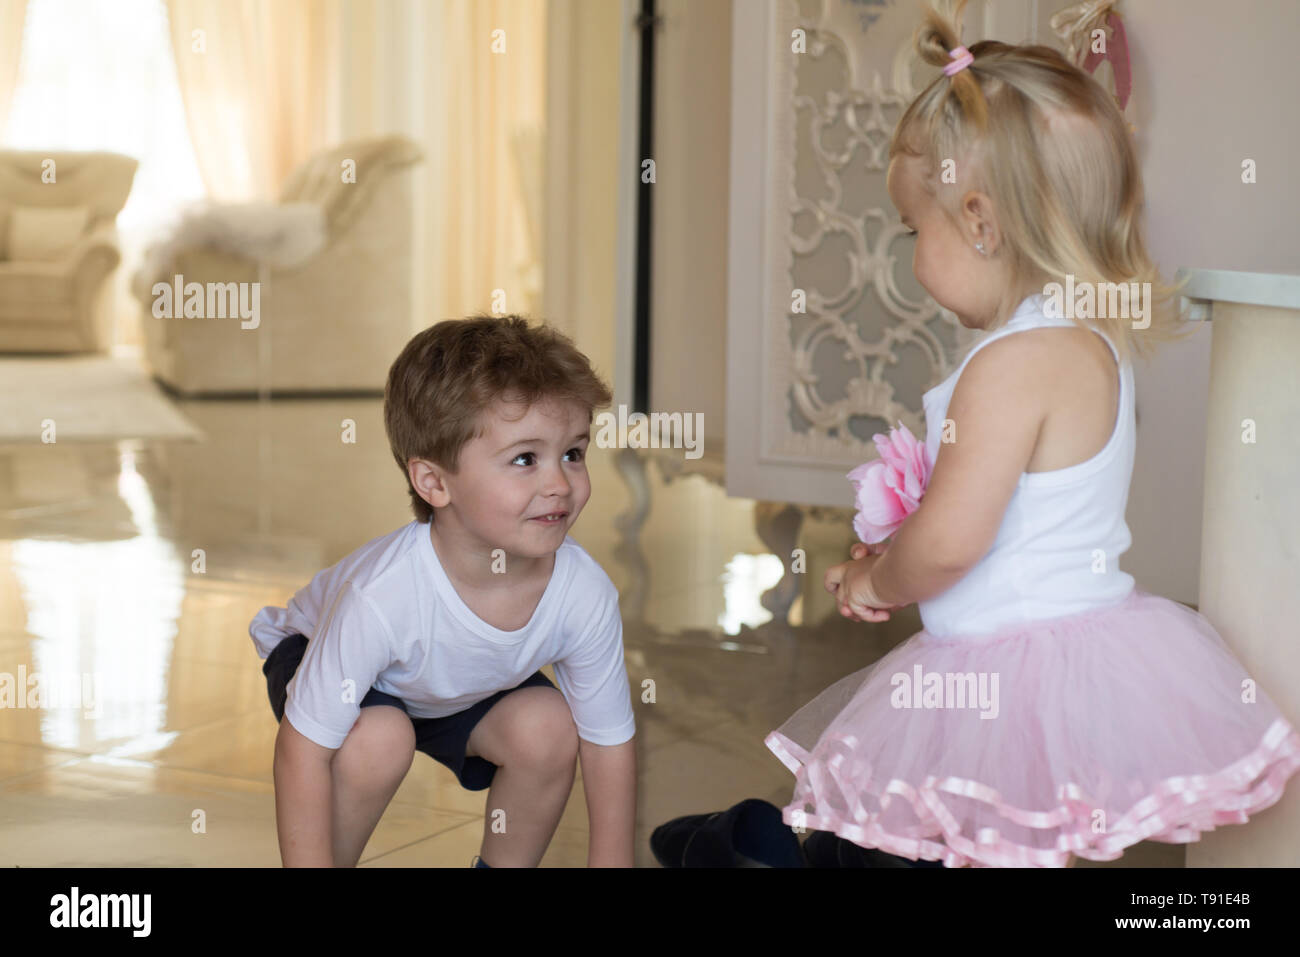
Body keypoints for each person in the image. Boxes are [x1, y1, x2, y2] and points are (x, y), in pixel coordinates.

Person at [765, 0, 1300, 867]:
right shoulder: (1091, 343)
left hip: (1004, 673)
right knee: (1010, 843)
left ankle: (759, 847)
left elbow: (949, 540)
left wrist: (876, 575)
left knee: (912, 832)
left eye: (913, 229)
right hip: (1085, 654)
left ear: (979, 220)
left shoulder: (1007, 367)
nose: (909, 253)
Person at [251, 315, 637, 867]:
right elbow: (301, 752)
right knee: (380, 738)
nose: (560, 483)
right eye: (525, 459)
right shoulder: (382, 596)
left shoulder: (584, 593)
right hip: (319, 656)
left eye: (573, 453)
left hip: (444, 685)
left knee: (550, 728)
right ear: (433, 482)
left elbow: (609, 741)